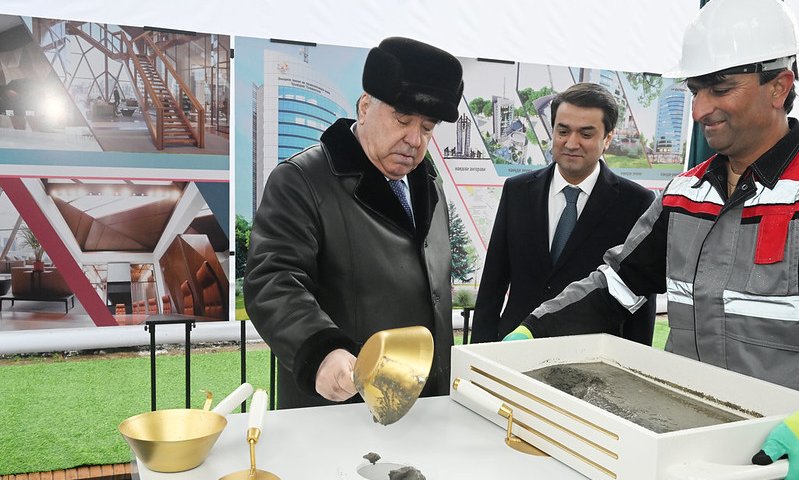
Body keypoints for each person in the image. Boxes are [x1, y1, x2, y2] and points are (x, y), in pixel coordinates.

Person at [502, 0, 799, 474]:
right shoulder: (684, 195)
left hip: (779, 454)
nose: (701, 109)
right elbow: (618, 285)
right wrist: (533, 331)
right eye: (696, 90)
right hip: (684, 448)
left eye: (720, 89)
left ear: (779, 87)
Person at [244, 37, 463, 409]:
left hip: (426, 403)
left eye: (427, 128)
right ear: (364, 107)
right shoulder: (301, 179)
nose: (414, 139)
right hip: (343, 404)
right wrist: (323, 350)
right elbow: (273, 280)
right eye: (402, 119)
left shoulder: (430, 186)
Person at [471, 82, 656, 345]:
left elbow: (640, 299)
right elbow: (493, 282)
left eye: (586, 134)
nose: (571, 143)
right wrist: (481, 352)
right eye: (563, 131)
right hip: (515, 345)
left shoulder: (636, 203)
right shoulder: (517, 191)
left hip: (590, 356)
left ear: (608, 138)